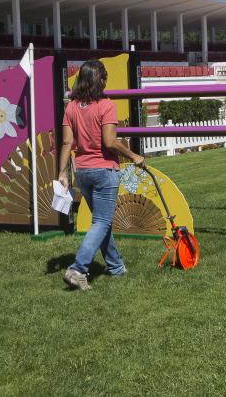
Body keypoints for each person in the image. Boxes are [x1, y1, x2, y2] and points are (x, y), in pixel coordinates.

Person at [57, 59, 144, 291]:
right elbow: (110, 142)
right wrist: (133, 155)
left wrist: (62, 173)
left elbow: (67, 142)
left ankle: (116, 267)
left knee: (100, 223)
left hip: (82, 171)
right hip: (105, 170)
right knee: (102, 222)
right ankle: (78, 268)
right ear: (101, 80)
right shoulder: (107, 105)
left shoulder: (71, 106)